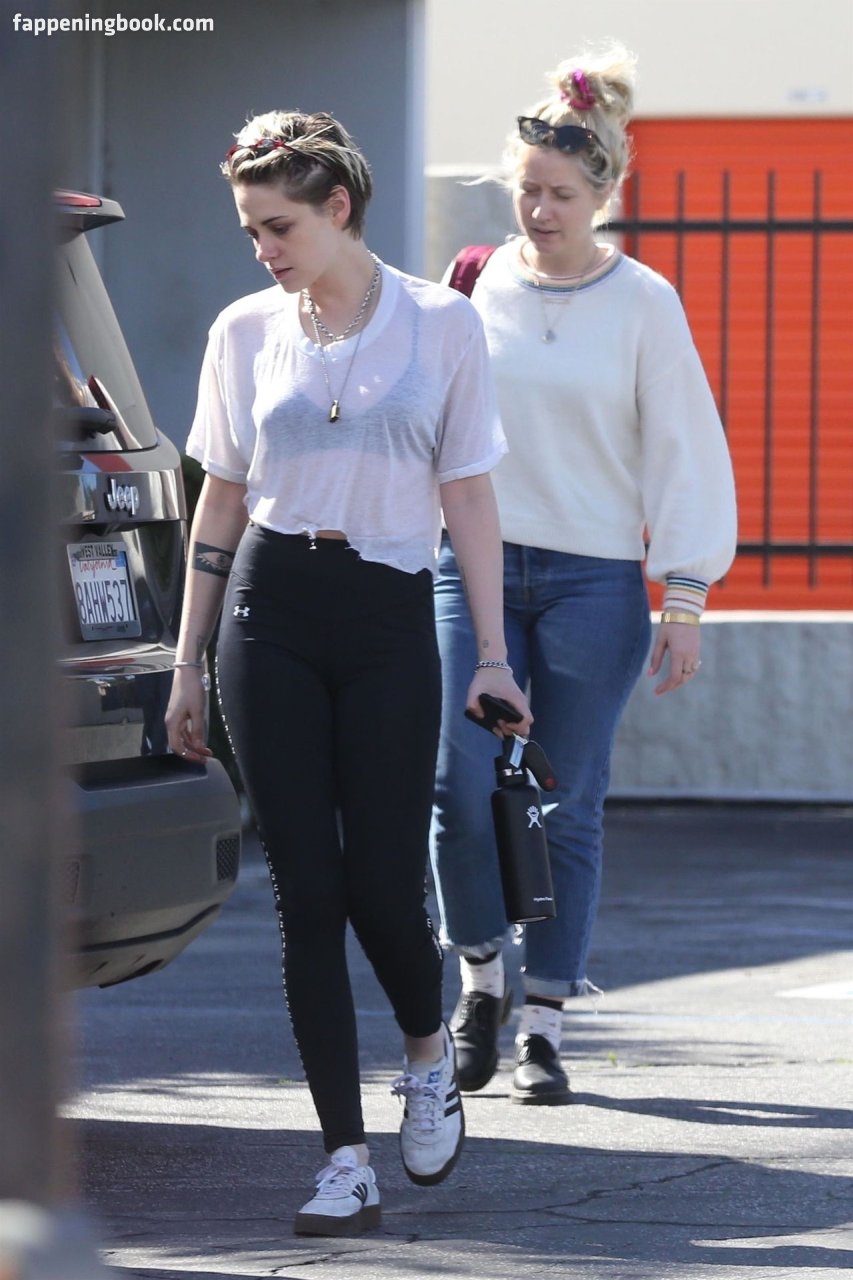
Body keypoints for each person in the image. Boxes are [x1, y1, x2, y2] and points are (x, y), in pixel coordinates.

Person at [164, 110, 531, 1234]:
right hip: (268, 608)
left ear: (339, 208)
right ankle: (342, 1155)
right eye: (249, 229)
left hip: (385, 615)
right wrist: (186, 662)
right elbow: (221, 498)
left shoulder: (439, 323)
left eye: (278, 226)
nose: (263, 248)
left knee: (380, 884)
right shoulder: (243, 330)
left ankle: (426, 1052)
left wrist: (494, 656)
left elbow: (468, 493)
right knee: (306, 894)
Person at [431, 46, 737, 1106]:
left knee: (565, 803)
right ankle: (479, 980)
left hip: (594, 581)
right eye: (526, 189)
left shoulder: (644, 302)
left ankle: (546, 1020)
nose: (539, 210)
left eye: (560, 193)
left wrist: (685, 596)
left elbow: (685, 450)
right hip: (469, 566)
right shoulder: (472, 285)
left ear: (602, 193)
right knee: (458, 789)